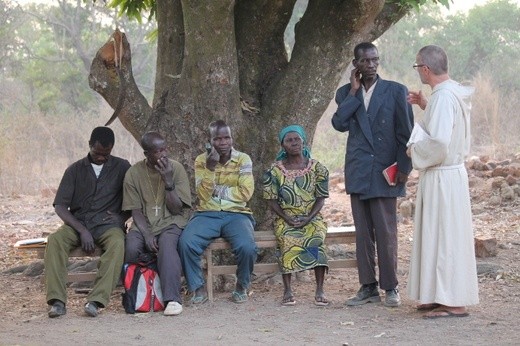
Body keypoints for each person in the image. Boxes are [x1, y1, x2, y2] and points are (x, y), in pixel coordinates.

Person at [331, 42, 414, 308]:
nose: (371, 65)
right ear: (355, 64)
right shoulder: (345, 92)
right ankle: (367, 286)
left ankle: (391, 287)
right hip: (358, 170)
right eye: (365, 61)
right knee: (363, 233)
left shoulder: (395, 91)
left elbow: (406, 134)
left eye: (375, 60)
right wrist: (354, 92)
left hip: (385, 171)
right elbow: (339, 124)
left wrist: (403, 168)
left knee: (386, 233)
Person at [406, 45, 479, 319]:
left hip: (443, 176)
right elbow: (447, 126)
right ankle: (438, 294)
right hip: (447, 176)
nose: (418, 71)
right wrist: (426, 105)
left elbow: (438, 142)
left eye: (417, 66)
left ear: (425, 68)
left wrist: (414, 150)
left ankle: (454, 302)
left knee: (446, 237)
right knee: (437, 235)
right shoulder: (449, 93)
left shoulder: (445, 98)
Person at [45, 127, 131, 318]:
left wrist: (122, 217)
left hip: (107, 224)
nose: (101, 158)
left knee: (118, 244)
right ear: (90, 145)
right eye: (97, 153)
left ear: (112, 149)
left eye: (106, 154)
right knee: (55, 241)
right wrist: (81, 230)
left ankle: (96, 301)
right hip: (78, 224)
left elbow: (135, 198)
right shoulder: (74, 170)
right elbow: (60, 206)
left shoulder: (123, 167)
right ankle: (57, 301)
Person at [178, 120, 257, 304]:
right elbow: (203, 196)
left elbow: (246, 193)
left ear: (232, 138)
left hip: (237, 214)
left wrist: (218, 191)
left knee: (247, 247)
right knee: (186, 243)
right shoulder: (201, 160)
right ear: (210, 141)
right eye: (218, 139)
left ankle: (241, 286)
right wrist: (210, 168)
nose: (223, 143)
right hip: (207, 213)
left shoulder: (243, 159)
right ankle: (198, 288)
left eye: (227, 138)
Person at [122, 131, 192, 316]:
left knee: (167, 247)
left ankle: (172, 299)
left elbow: (178, 209)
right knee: (131, 248)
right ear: (147, 154)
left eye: (165, 149)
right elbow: (134, 210)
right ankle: (141, 290)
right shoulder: (133, 173)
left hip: (171, 221)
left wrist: (168, 182)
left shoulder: (175, 169)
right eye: (158, 151)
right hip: (144, 224)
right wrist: (146, 234)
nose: (164, 154)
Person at [262, 125, 330, 307]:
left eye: (297, 139)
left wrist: (308, 218)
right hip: (286, 218)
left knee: (316, 237)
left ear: (303, 141)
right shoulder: (274, 171)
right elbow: (271, 200)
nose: (294, 143)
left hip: (312, 217)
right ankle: (288, 290)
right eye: (289, 140)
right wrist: (287, 218)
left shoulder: (317, 168)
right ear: (282, 145)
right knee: (287, 238)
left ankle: (320, 290)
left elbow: (321, 198)